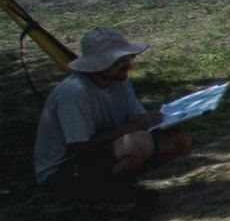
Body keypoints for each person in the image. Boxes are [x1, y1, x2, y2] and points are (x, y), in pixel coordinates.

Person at [30, 27, 184, 199]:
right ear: (97, 65)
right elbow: (79, 147)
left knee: (178, 139)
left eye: (128, 59)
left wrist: (166, 119)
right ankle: (103, 193)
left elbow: (137, 117)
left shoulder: (119, 81)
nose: (128, 66)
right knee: (140, 143)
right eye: (118, 62)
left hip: (103, 152)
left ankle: (120, 184)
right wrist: (132, 128)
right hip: (65, 170)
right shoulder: (75, 93)